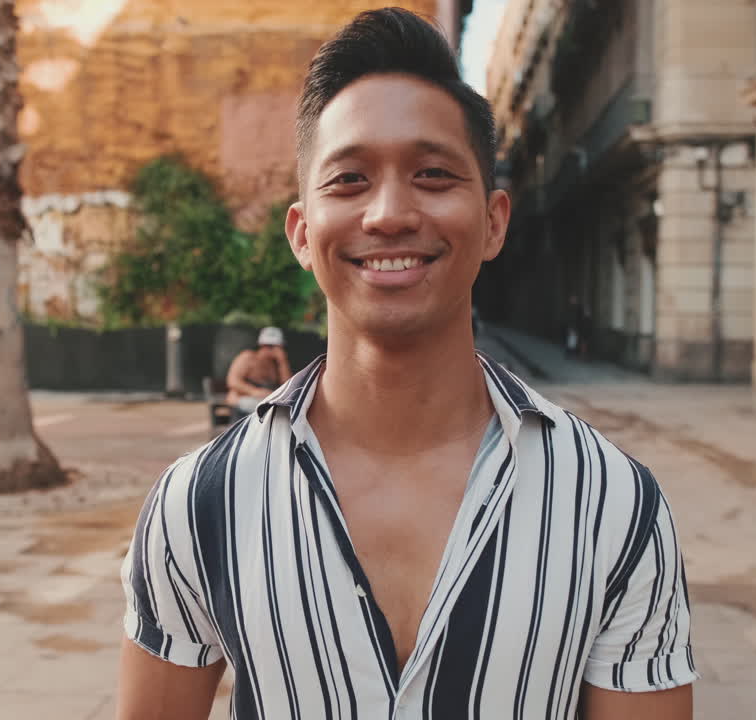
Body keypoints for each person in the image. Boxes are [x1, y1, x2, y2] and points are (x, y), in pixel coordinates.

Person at [117, 9, 695, 719]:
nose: (389, 213)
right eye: (350, 179)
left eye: (432, 173)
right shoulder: (198, 504)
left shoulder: (614, 507)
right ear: (302, 232)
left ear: (493, 221)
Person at [225, 326, 293, 416]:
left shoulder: (275, 365)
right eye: (268, 346)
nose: (273, 351)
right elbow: (233, 381)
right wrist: (255, 391)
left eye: (277, 347)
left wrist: (283, 361)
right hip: (242, 401)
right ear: (261, 345)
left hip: (266, 402)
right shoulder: (248, 357)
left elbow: (289, 386)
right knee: (271, 411)